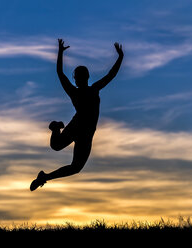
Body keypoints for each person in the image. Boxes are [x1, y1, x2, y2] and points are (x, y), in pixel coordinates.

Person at [30, 39, 123, 191]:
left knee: (69, 160)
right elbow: (110, 75)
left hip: (82, 131)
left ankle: (45, 176)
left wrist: (60, 53)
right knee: (68, 159)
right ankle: (55, 131)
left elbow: (60, 73)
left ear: (80, 78)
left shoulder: (81, 91)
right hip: (82, 130)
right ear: (85, 77)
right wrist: (120, 57)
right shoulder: (91, 90)